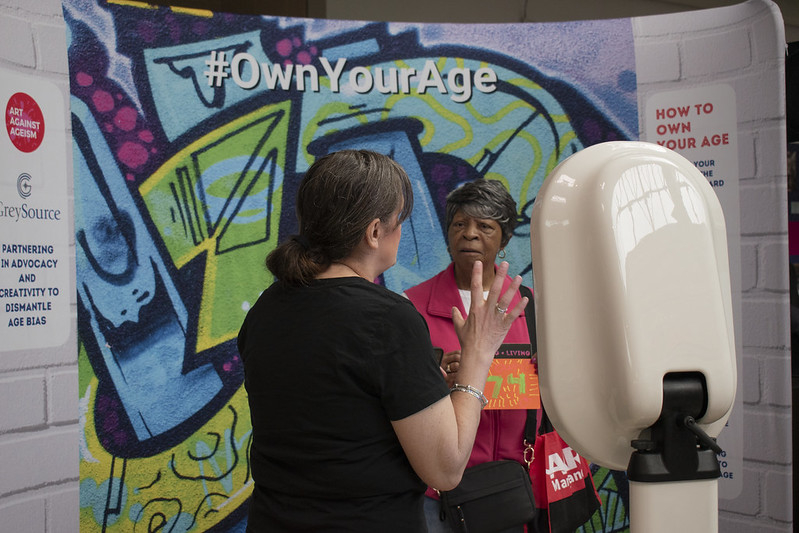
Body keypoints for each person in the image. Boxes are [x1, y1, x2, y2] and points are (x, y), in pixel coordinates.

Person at [237, 150, 528, 532]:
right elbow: (445, 469)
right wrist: (478, 353)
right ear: (375, 232)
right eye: (398, 221)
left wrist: (422, 388)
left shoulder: (267, 308)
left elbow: (338, 414)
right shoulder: (388, 318)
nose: (401, 232)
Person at [405, 179, 535, 533]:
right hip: (438, 493)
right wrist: (437, 378)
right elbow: (399, 393)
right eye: (459, 224)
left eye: (485, 226)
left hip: (511, 485)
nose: (470, 234)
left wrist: (482, 373)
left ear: (505, 239)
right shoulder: (410, 307)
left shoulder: (532, 308)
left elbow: (555, 387)